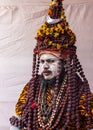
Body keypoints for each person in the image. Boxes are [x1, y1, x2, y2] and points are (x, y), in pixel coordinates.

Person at [9, 0, 93, 130]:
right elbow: (18, 120)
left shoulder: (79, 91)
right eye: (42, 61)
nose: (45, 66)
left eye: (51, 61)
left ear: (65, 63)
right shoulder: (32, 87)